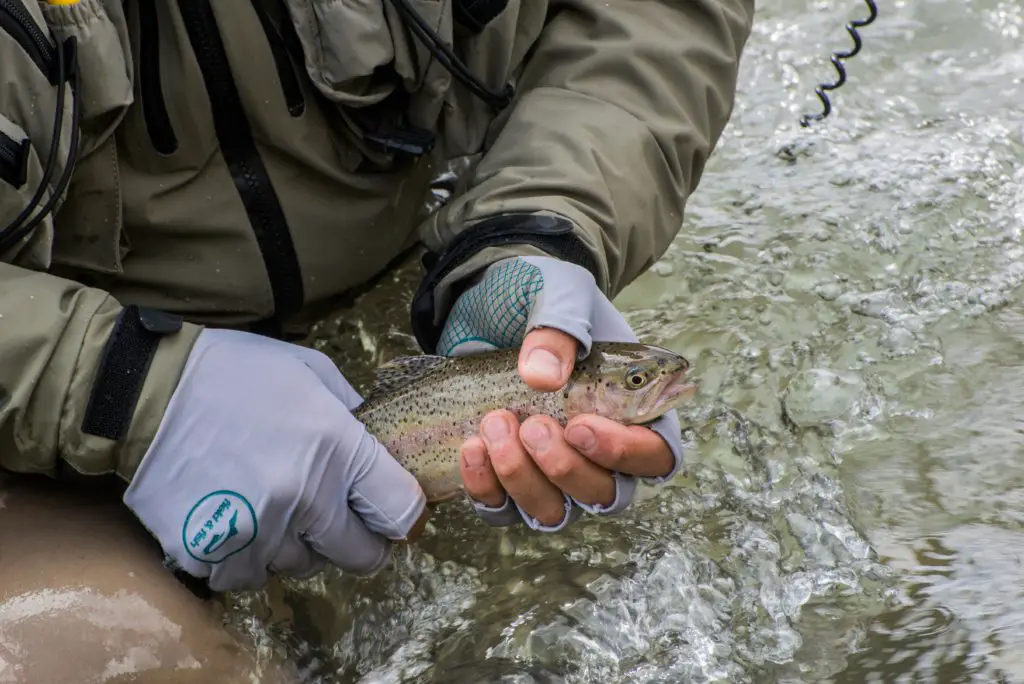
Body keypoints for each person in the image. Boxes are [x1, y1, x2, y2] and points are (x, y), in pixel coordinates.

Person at [0, 0, 754, 680]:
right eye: (630, 382)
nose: (651, 381)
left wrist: (538, 226)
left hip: (414, 266)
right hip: (48, 417)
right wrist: (124, 386)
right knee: (112, 652)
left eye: (630, 381)